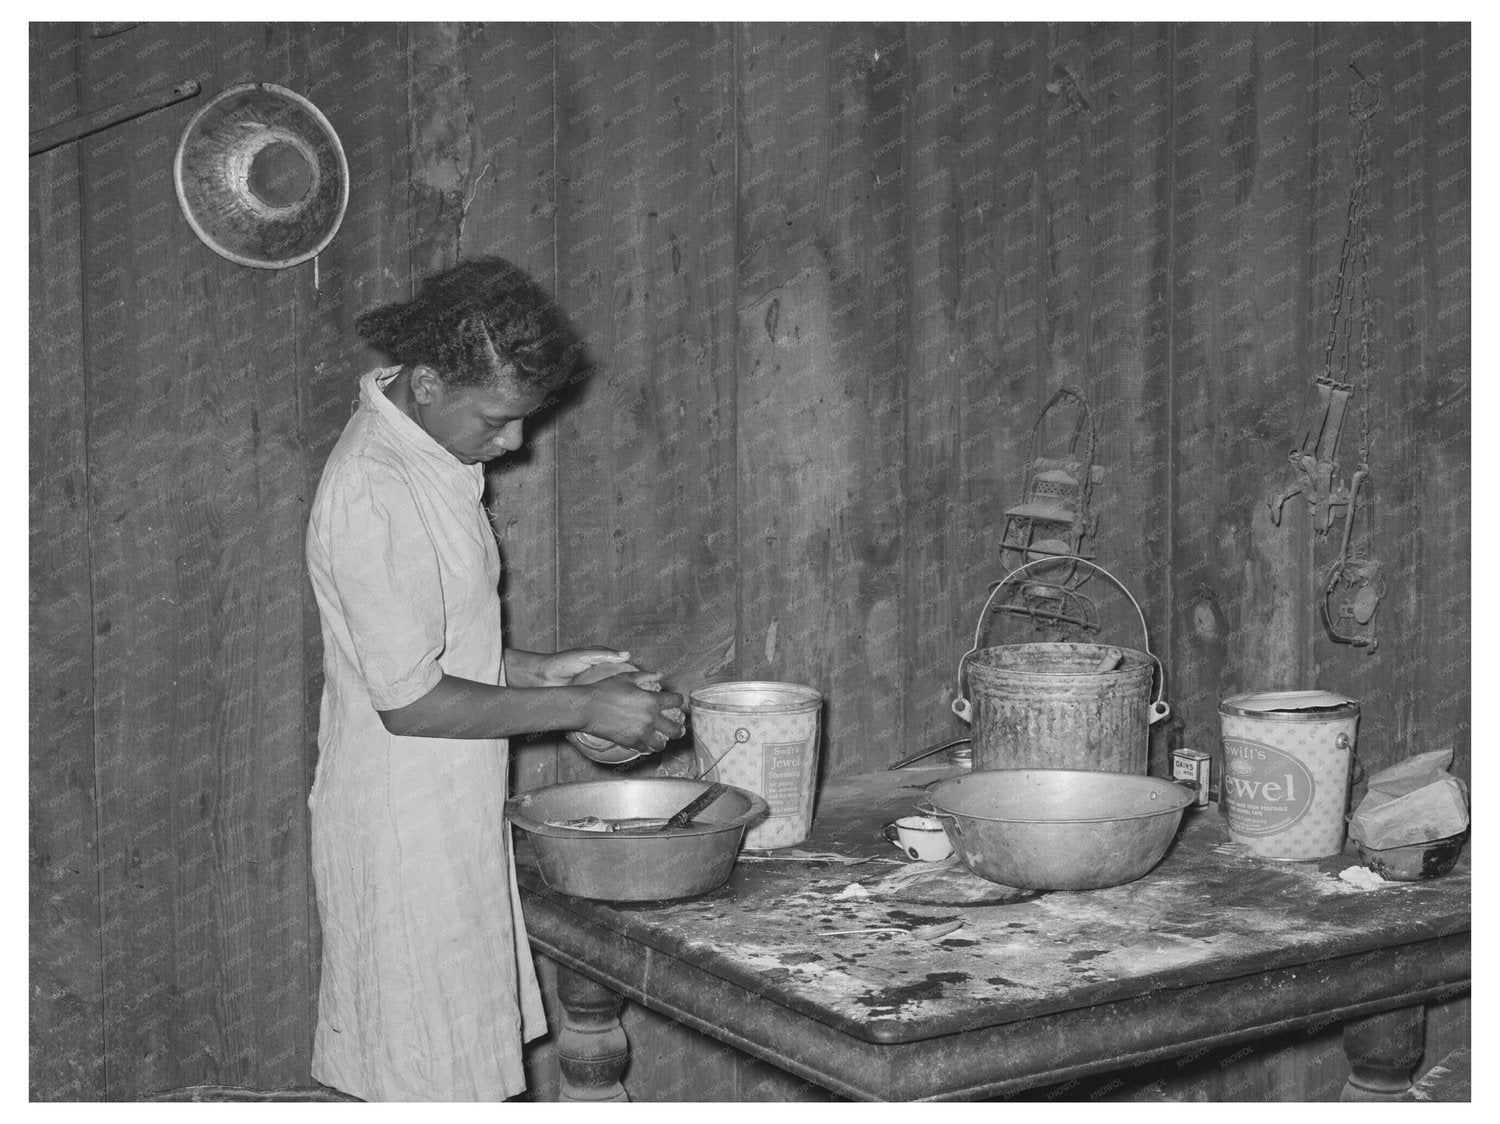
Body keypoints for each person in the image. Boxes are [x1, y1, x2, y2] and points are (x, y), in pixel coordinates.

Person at [304, 257, 684, 1101]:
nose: (514, 444)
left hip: (447, 807)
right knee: (428, 1076)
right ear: (431, 382)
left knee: (451, 1064)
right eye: (499, 420)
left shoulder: (431, 453)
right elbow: (409, 702)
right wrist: (583, 705)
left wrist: (545, 669)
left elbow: (423, 648)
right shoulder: (375, 490)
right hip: (404, 823)